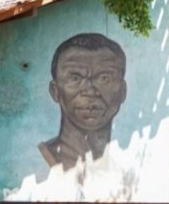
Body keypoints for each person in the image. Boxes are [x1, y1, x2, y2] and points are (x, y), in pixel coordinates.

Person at [39, 32, 127, 171]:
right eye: (75, 78)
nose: (90, 91)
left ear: (122, 91)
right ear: (55, 91)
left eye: (104, 78)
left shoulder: (125, 171)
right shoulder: (39, 159)